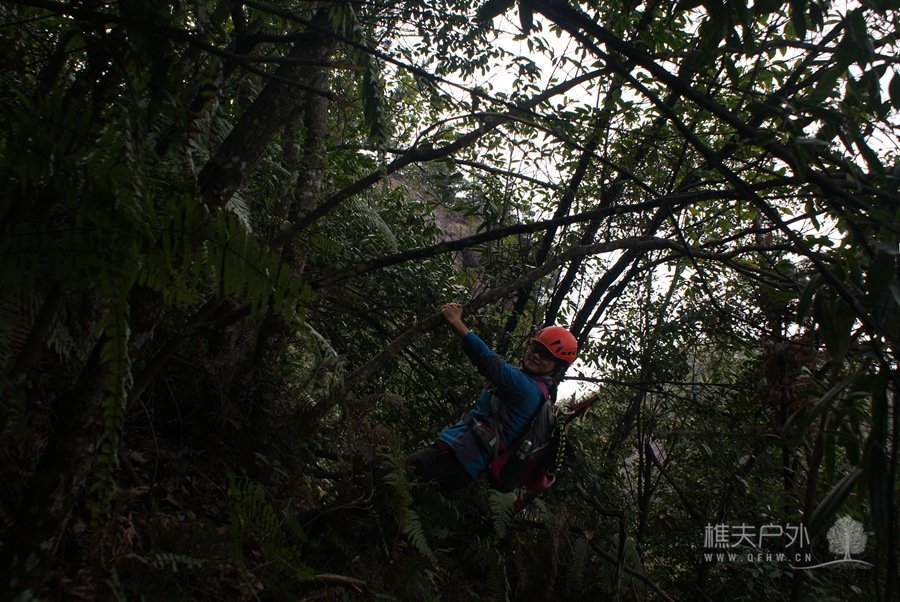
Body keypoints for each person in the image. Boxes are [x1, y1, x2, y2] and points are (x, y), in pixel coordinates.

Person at [405, 302, 577, 491]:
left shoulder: (528, 389)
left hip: (456, 455)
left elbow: (489, 362)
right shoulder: (535, 388)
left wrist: (455, 321)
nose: (536, 355)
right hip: (463, 462)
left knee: (390, 474)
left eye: (545, 355)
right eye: (535, 348)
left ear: (557, 368)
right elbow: (492, 363)